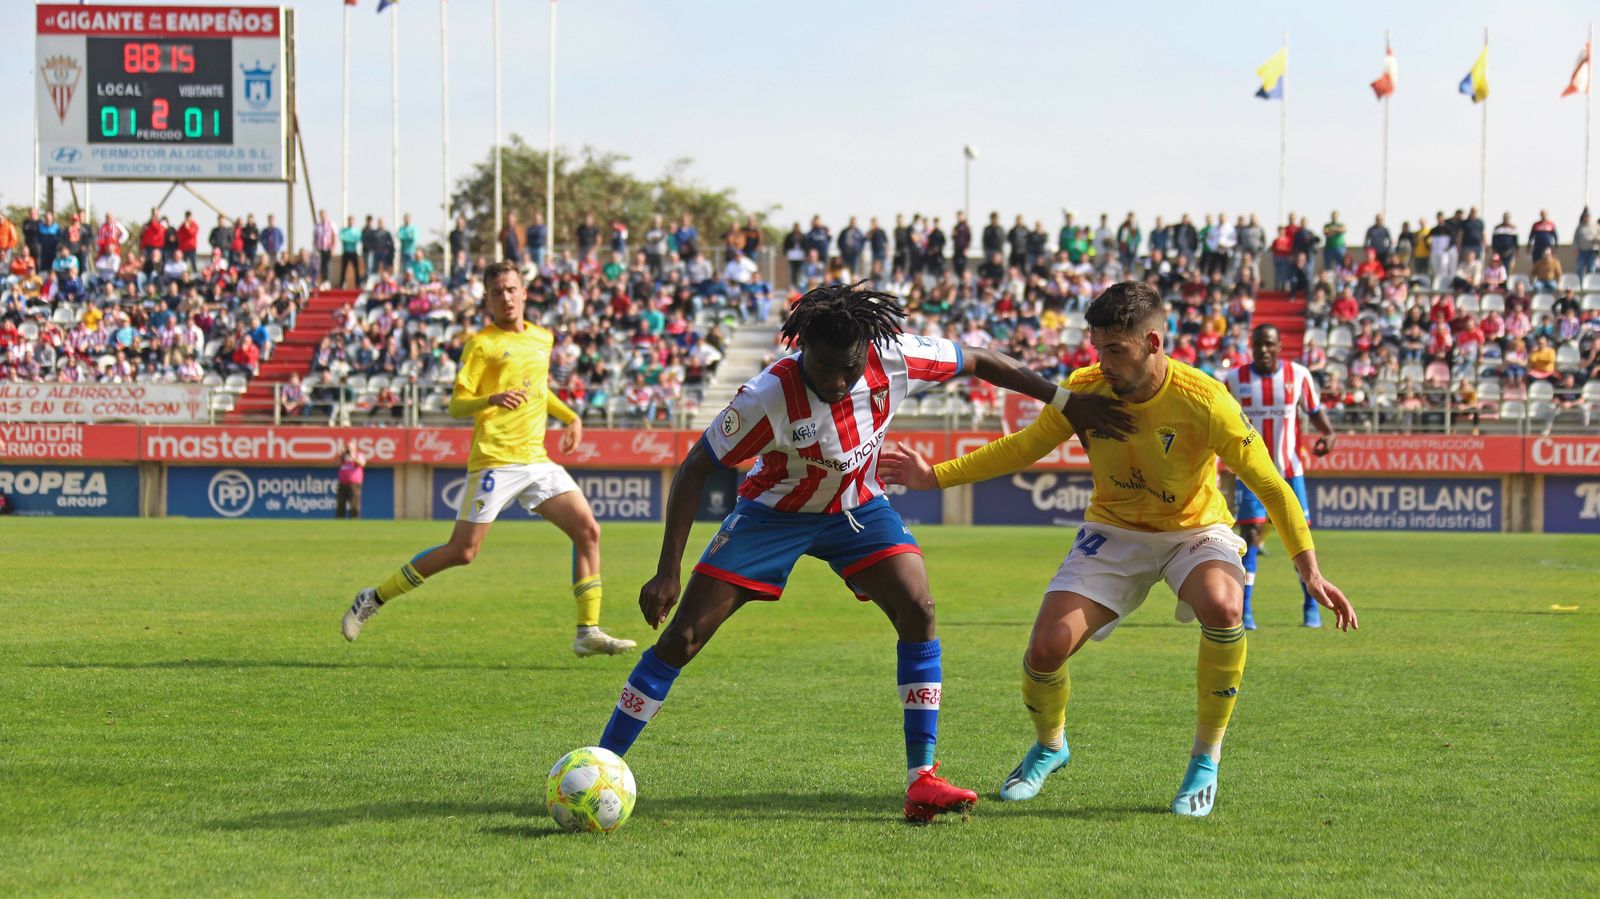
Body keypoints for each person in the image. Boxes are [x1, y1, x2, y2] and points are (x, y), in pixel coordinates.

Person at [590, 281, 1134, 823]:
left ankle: (922, 780)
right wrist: (667, 571)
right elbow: (694, 467)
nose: (836, 380)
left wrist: (1065, 401)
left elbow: (984, 361)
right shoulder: (767, 396)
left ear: (865, 353)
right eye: (823, 368)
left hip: (856, 510)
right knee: (683, 637)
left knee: (918, 608)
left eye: (848, 369)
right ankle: (602, 763)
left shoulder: (895, 357)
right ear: (802, 349)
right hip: (772, 515)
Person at [881, 281, 1356, 818]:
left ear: (1153, 343)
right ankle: (1051, 746)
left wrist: (1309, 570)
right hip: (1114, 532)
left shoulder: (1206, 401)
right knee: (1044, 651)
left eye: (1115, 350)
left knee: (1224, 607)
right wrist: (934, 477)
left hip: (1195, 533)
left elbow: (1271, 485)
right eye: (1096, 347)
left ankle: (1205, 759)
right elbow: (1023, 447)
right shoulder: (1085, 391)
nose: (1101, 362)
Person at [342, 261, 636, 657]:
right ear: (488, 298)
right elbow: (457, 404)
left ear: (524, 292)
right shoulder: (481, 344)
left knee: (588, 531)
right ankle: (373, 597)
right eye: (497, 292)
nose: (506, 297)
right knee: (463, 552)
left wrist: (571, 416)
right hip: (495, 460)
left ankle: (588, 630)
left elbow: (539, 390)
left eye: (512, 289)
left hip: (536, 460)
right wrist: (491, 399)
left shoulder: (542, 339)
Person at [1222, 325, 1337, 629]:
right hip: (1251, 474)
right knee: (1250, 539)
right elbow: (1220, 419)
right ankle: (1244, 611)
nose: (1263, 350)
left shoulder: (1298, 375)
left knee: (1299, 539)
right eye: (1258, 344)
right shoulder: (1234, 380)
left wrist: (1328, 433)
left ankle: (1311, 608)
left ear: (1279, 345)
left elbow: (1314, 410)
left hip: (1290, 473)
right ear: (1252, 345)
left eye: (1269, 344)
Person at [336, 445, 366, 520]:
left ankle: (354, 522)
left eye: (350, 447)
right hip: (342, 484)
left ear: (354, 448)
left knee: (354, 505)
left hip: (354, 485)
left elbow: (362, 464)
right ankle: (339, 522)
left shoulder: (358, 455)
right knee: (340, 504)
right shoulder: (343, 456)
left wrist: (353, 457)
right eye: (347, 447)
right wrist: (342, 455)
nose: (349, 449)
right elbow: (337, 464)